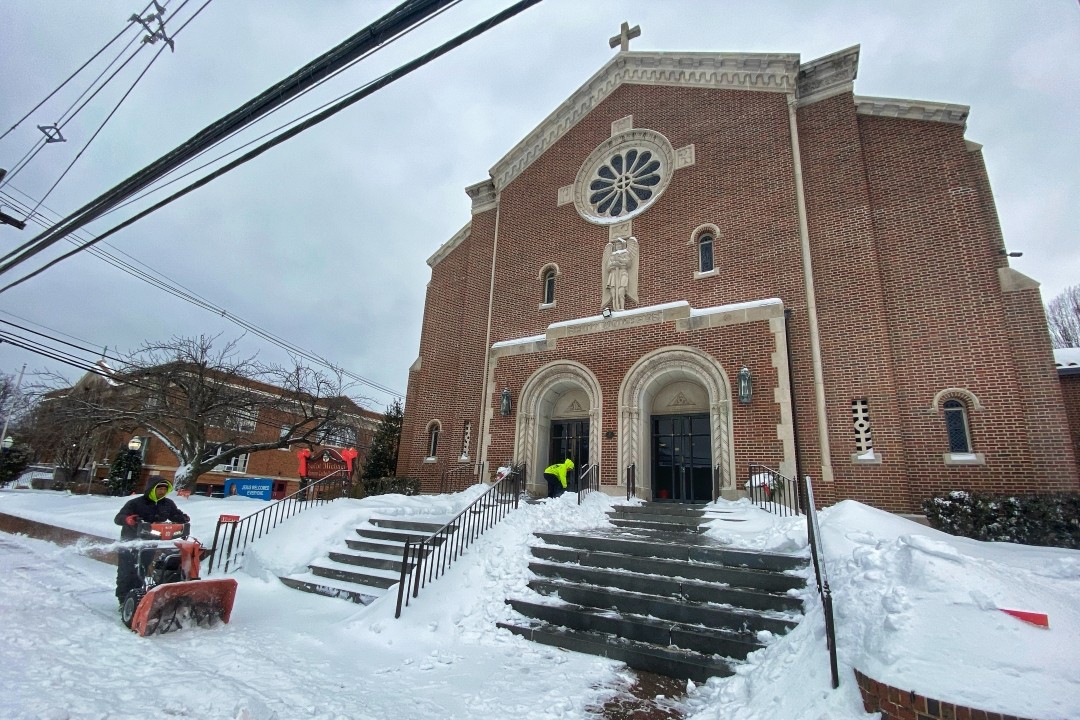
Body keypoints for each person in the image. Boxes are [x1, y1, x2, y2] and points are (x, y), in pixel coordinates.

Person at [113, 476, 190, 606]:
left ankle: (136, 597)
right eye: (159, 489)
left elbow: (175, 515)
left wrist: (183, 518)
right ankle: (123, 599)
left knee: (141, 571)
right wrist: (128, 519)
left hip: (149, 543)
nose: (162, 492)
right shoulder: (136, 503)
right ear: (151, 489)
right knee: (127, 572)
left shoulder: (167, 504)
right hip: (130, 542)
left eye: (165, 489)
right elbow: (118, 518)